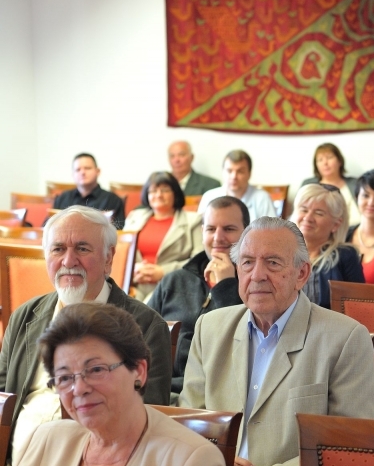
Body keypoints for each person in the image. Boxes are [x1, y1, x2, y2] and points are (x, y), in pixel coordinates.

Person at [179, 216, 374, 466]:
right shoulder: (210, 327)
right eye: (247, 263)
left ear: (301, 273)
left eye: (272, 263)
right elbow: (191, 420)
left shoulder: (345, 338)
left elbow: (354, 446)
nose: (257, 275)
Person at [0, 205, 171, 466]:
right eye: (58, 249)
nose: (69, 260)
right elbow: (2, 398)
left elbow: (147, 428)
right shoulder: (25, 316)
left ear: (108, 257)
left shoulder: (146, 327)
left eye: (82, 248)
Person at [11, 303, 227, 466]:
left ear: (139, 371)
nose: (79, 388)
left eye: (96, 369)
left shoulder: (192, 463)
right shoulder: (44, 442)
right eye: (65, 377)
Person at [148, 196, 249, 397]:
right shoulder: (174, 281)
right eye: (211, 229)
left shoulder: (255, 285)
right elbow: (140, 335)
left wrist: (227, 287)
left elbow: (243, 345)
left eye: (229, 229)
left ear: (247, 234)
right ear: (202, 232)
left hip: (218, 395)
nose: (218, 238)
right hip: (163, 391)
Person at [123, 171, 203, 302]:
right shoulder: (134, 217)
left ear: (175, 193)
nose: (158, 195)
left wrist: (163, 271)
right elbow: (120, 254)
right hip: (135, 283)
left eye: (165, 190)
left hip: (172, 285)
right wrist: (133, 270)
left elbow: (199, 261)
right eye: (153, 191)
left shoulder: (193, 220)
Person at [292, 184, 364, 309]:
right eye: (304, 210)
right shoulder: (280, 252)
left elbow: (359, 305)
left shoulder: (345, 256)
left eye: (319, 213)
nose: (308, 218)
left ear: (336, 224)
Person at [197, 150, 277, 221]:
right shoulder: (209, 197)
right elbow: (199, 229)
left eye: (240, 171)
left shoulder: (262, 198)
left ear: (249, 174)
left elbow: (272, 230)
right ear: (223, 172)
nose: (234, 177)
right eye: (229, 171)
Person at [52, 153, 126, 228]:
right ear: (73, 174)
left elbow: (119, 231)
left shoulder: (113, 200)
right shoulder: (62, 199)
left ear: (98, 171)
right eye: (78, 170)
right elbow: (48, 227)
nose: (82, 172)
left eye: (87, 168)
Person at [301, 142, 360, 225]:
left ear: (339, 161)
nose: (325, 163)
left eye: (329, 157)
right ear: (316, 165)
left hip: (356, 230)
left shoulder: (355, 183)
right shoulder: (308, 185)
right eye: (320, 160)